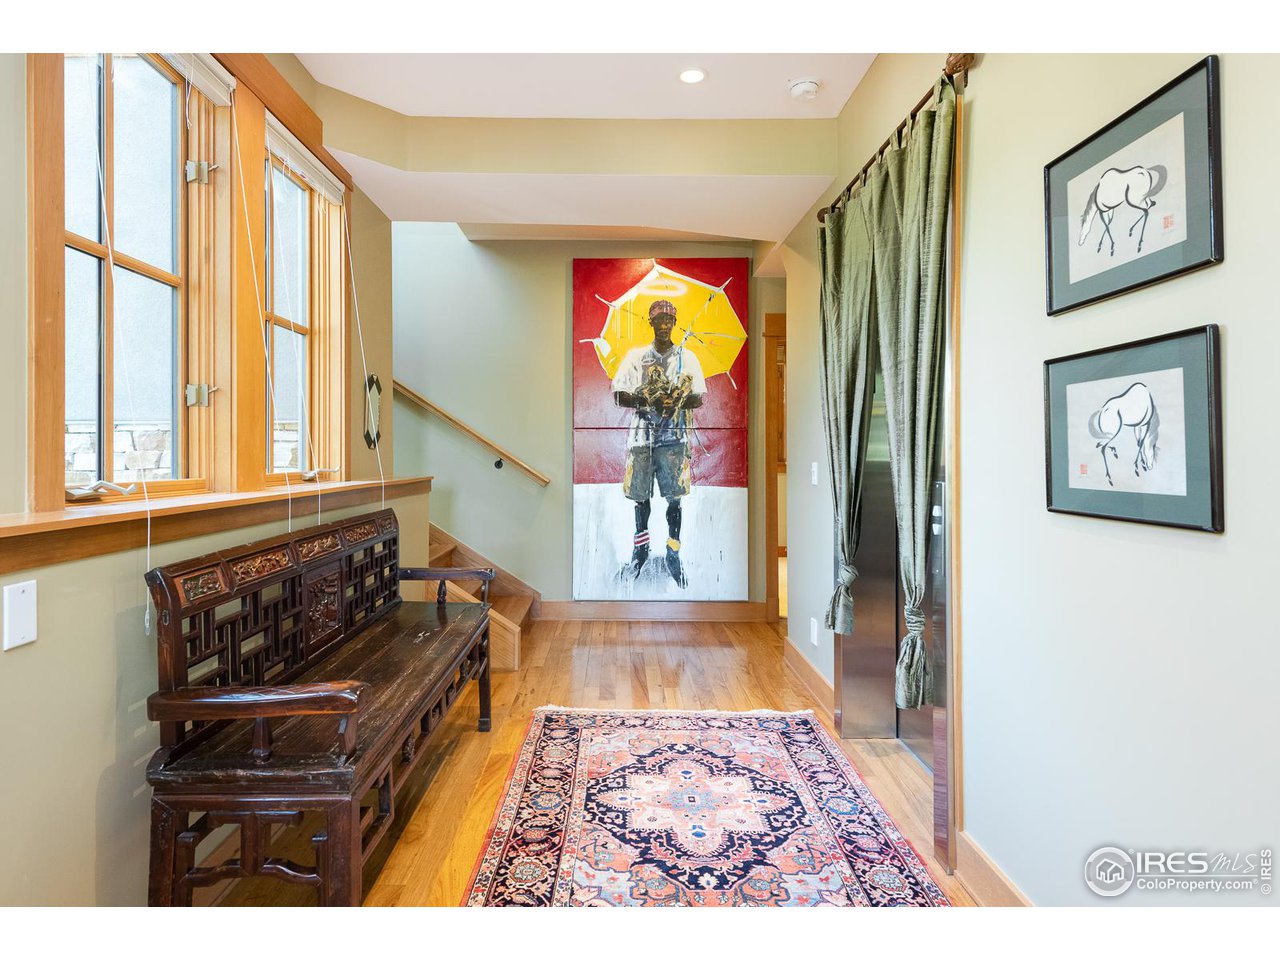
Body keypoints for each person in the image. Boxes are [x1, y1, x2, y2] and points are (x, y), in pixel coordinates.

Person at [611, 299, 707, 587]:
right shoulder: (636, 357)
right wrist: (646, 397)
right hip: (642, 436)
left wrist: (675, 400)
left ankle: (672, 552)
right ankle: (640, 550)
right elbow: (618, 394)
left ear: (674, 323)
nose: (665, 325)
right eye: (659, 320)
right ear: (650, 322)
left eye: (669, 320)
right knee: (640, 498)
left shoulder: (686, 358)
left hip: (674, 437)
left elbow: (699, 396)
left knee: (674, 498)